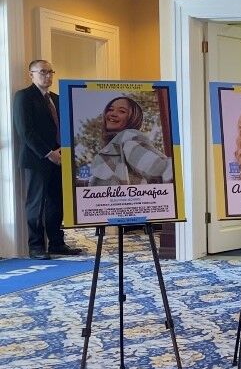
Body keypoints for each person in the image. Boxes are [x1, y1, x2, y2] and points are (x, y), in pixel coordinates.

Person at [12, 60, 82, 259]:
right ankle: (36, 247)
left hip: (60, 158)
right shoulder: (24, 97)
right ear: (31, 74)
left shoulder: (57, 99)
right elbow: (26, 131)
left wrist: (62, 152)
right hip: (37, 159)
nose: (48, 76)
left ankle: (57, 244)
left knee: (57, 203)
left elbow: (66, 127)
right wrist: (49, 153)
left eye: (51, 72)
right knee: (36, 204)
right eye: (43, 72)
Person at [88, 96, 172, 186]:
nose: (113, 114)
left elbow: (159, 168)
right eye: (110, 109)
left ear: (133, 118)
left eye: (122, 111)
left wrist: (169, 172)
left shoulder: (128, 135)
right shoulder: (112, 145)